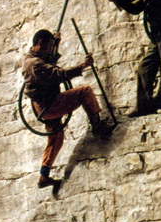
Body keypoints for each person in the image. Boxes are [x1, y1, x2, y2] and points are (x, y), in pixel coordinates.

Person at [22, 29, 112, 189]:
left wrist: (56, 43)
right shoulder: (34, 64)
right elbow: (58, 74)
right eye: (49, 46)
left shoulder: (31, 57)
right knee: (85, 92)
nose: (51, 49)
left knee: (56, 138)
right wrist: (83, 66)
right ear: (40, 44)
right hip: (49, 106)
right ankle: (98, 126)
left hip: (42, 106)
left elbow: (48, 59)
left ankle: (44, 175)